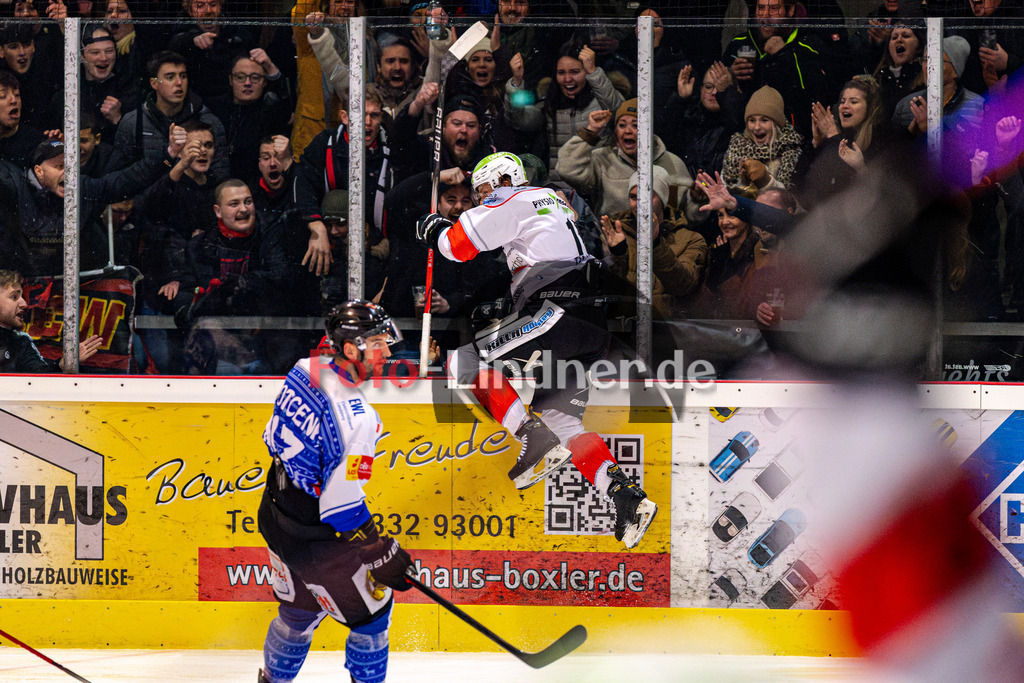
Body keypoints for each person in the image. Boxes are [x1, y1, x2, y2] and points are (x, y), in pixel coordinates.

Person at [416, 151, 658, 549]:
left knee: (463, 359)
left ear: (503, 180)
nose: (481, 199)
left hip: (554, 311)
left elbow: (457, 246)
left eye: (483, 190)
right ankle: (627, 498)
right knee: (562, 420)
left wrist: (435, 230)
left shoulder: (512, 197)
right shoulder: (553, 200)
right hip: (590, 324)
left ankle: (531, 435)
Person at [256, 300, 413, 683]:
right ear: (349, 349)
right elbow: (341, 509)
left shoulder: (304, 368)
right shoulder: (360, 421)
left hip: (276, 513)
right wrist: (378, 550)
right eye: (377, 343)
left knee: (298, 612)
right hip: (316, 537)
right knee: (373, 619)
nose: (387, 352)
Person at [505, 42, 624, 180]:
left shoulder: (602, 104)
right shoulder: (548, 106)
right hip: (559, 191)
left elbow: (618, 111)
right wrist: (516, 83)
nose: (568, 79)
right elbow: (517, 119)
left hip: (596, 188)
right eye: (561, 72)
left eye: (575, 72)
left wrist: (594, 72)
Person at [556, 97, 693, 217]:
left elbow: (692, 214)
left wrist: (697, 199)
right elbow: (566, 170)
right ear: (615, 131)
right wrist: (592, 131)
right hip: (614, 240)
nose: (627, 130)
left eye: (635, 125)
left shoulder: (673, 162)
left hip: (664, 242)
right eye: (622, 125)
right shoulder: (602, 159)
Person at [108, 51, 230, 184]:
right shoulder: (133, 122)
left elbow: (221, 174)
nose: (179, 83)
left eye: (183, 76)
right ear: (154, 83)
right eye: (170, 77)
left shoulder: (208, 121)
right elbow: (119, 174)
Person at [600, 166, 707, 318]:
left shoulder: (690, 239)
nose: (640, 203)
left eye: (648, 196)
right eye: (634, 197)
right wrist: (618, 254)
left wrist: (656, 243)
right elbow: (608, 290)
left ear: (663, 199)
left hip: (668, 331)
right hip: (623, 328)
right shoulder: (615, 234)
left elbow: (683, 286)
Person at [206, 51, 293, 183]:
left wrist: (270, 68)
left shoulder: (270, 110)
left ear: (264, 82)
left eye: (255, 77)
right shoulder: (214, 107)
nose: (247, 83)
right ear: (230, 80)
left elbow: (285, 108)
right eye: (240, 77)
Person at [0, 269, 102, 372]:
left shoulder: (20, 343)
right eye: (14, 297)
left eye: (22, 296)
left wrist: (62, 364)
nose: (25, 304)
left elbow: (38, 375)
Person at [720, 85, 803, 190]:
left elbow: (788, 200)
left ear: (776, 124)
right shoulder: (737, 149)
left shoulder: (791, 152)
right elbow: (725, 187)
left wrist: (765, 179)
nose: (757, 127)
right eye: (752, 120)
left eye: (764, 120)